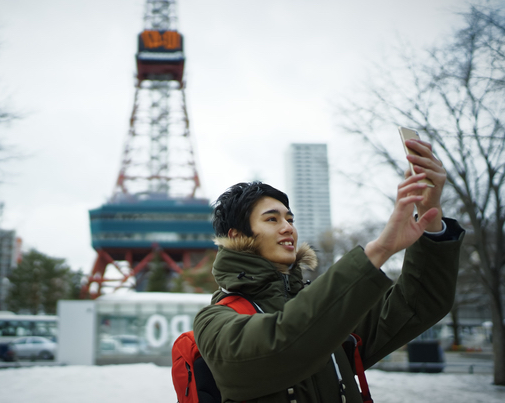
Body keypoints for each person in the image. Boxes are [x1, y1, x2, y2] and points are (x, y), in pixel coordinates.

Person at [193, 138, 465, 403]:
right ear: (238, 235)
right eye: (272, 219)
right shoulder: (214, 321)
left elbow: (417, 305)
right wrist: (378, 251)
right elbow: (282, 345)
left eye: (290, 218)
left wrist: (430, 215)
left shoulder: (330, 311)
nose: (288, 227)